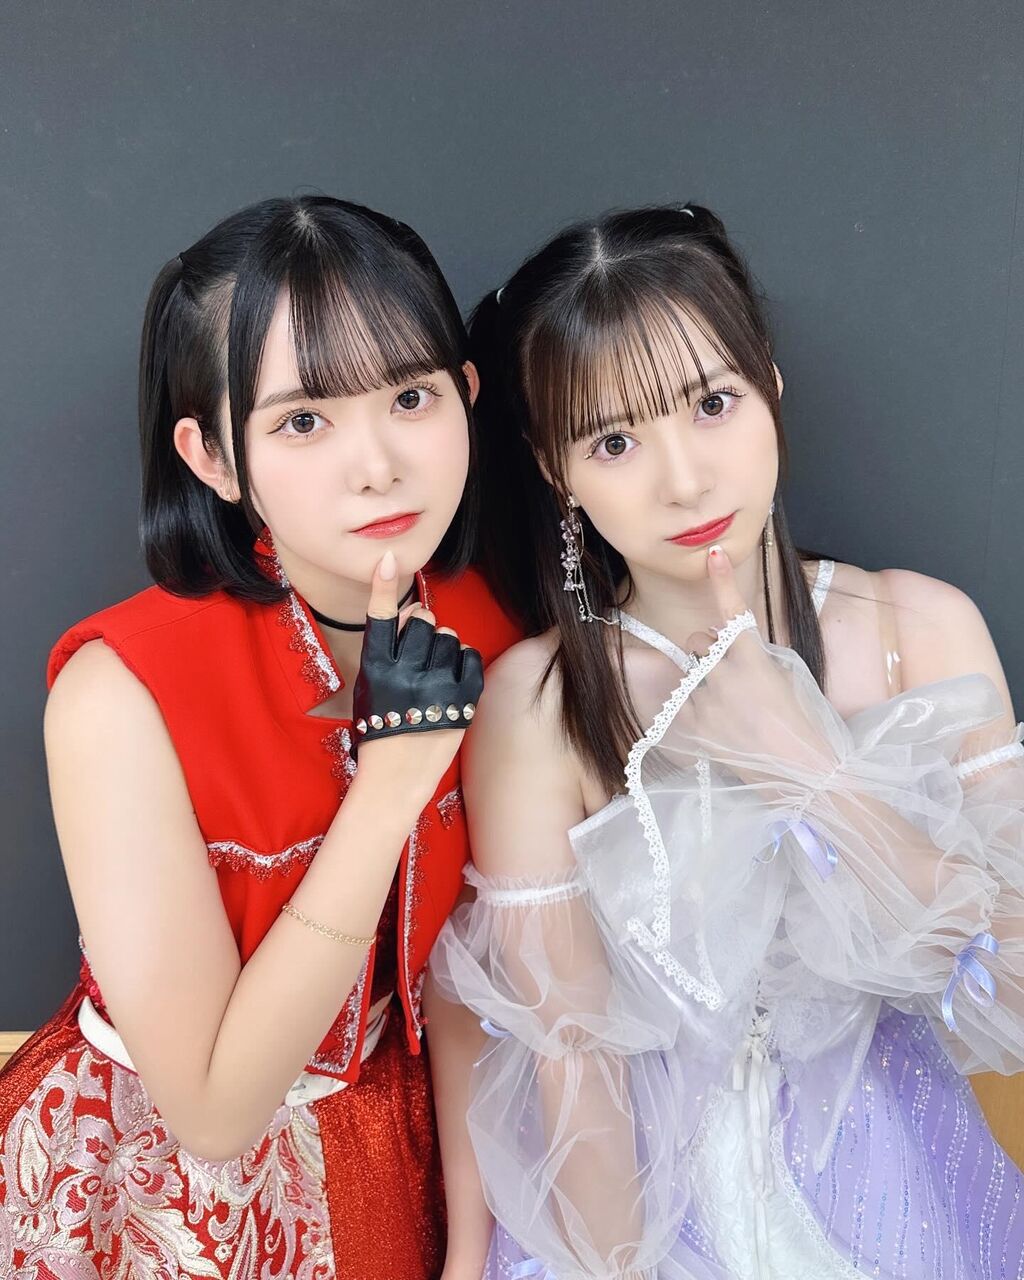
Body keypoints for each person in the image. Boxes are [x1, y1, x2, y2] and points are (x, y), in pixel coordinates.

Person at [427, 204, 1024, 1279]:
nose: (685, 479)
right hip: (650, 1214)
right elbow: (574, 1069)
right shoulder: (541, 704)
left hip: (898, 1184)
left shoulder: (919, 630)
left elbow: (1016, 988)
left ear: (770, 386)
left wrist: (811, 767)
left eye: (712, 403)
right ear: (555, 468)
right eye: (614, 441)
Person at [0, 195, 518, 1279]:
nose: (378, 464)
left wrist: (474, 1245)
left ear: (468, 396)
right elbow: (212, 1111)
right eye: (303, 422)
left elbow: (477, 975)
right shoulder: (119, 694)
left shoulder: (492, 628)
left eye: (411, 396)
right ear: (212, 457)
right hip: (159, 1187)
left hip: (418, 1144)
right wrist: (391, 785)